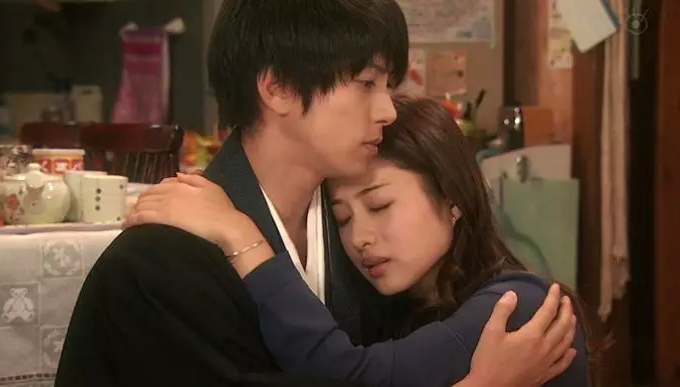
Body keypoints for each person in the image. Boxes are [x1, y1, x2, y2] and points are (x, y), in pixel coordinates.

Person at [56, 0, 577, 385]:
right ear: (279, 87)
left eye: (388, 87)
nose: (387, 110)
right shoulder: (159, 266)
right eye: (367, 83)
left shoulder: (367, 252)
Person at [126, 95, 592, 387]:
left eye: (381, 205)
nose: (360, 239)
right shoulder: (399, 314)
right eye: (342, 218)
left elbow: (347, 376)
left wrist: (239, 234)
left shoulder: (519, 305)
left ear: (452, 197)